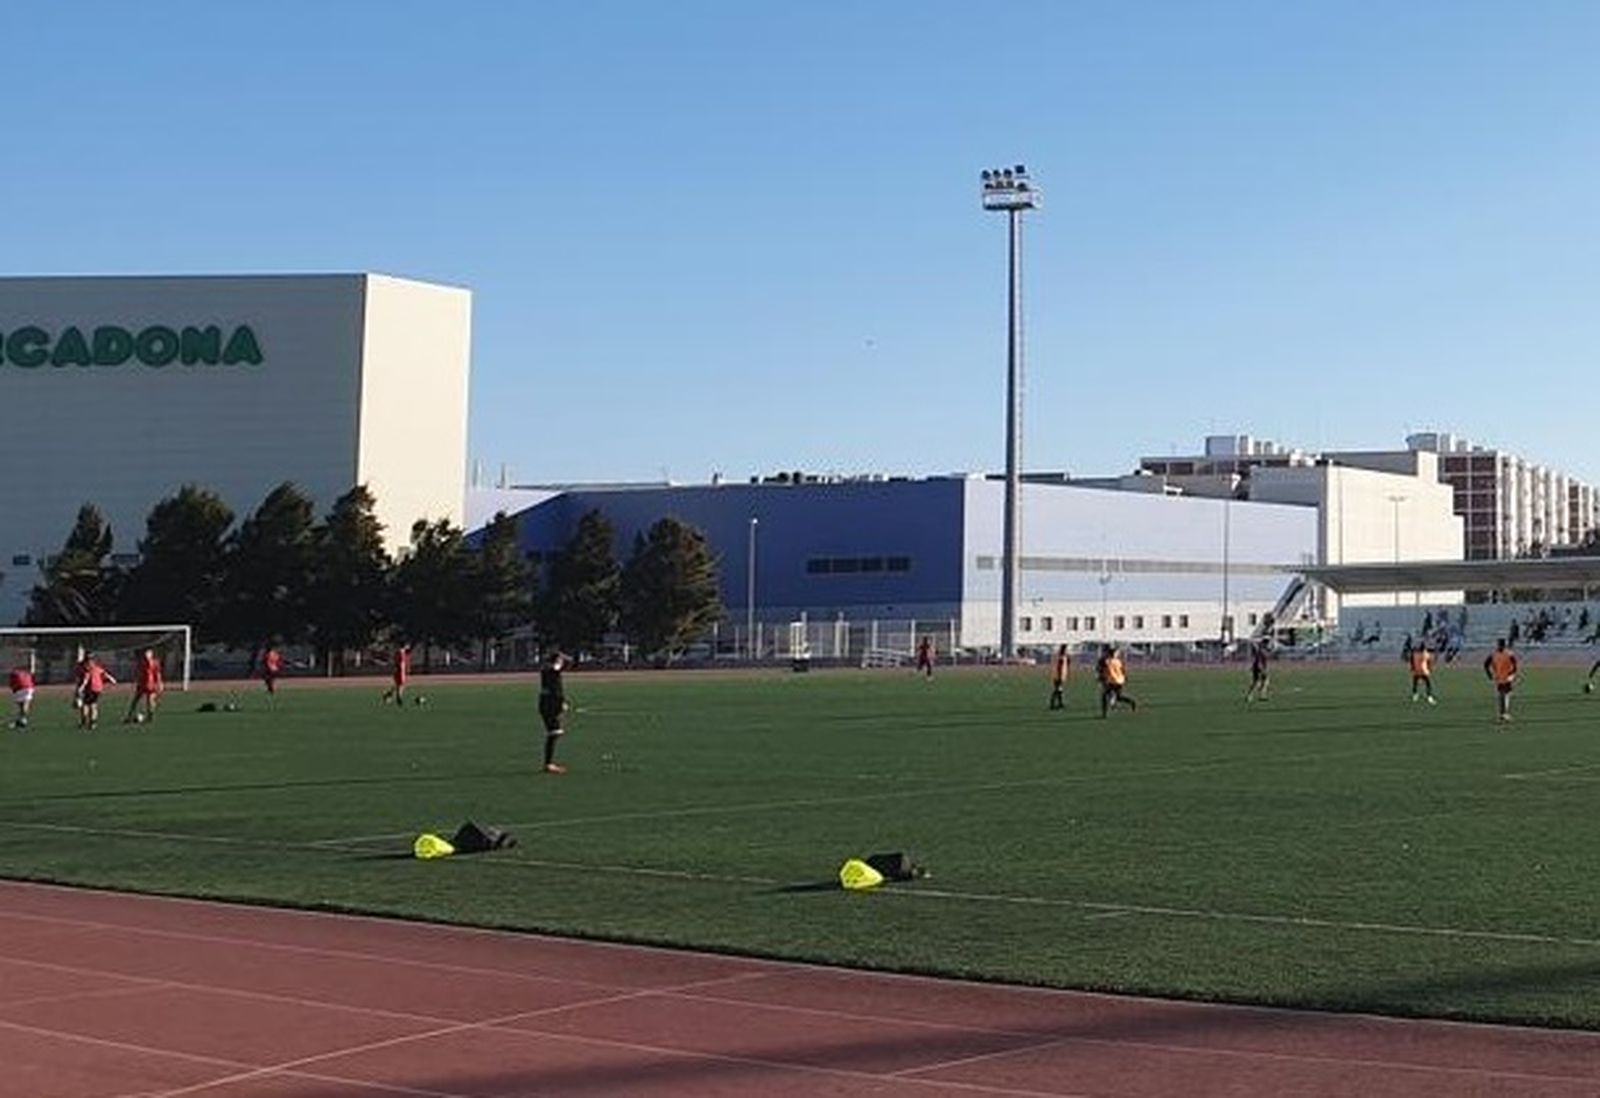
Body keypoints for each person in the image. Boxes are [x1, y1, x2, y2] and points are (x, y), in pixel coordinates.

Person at [539, 651, 570, 773]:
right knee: (554, 732)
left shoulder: (547, 670)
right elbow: (557, 691)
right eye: (560, 660)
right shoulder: (552, 671)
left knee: (555, 732)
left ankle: (548, 764)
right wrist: (560, 705)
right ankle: (548, 764)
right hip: (550, 704)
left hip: (547, 703)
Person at [1095, 644, 1138, 718]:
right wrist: (1125, 678)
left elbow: (1100, 669)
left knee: (1104, 696)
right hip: (1119, 681)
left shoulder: (1106, 661)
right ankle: (1131, 702)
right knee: (1118, 697)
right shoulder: (1118, 661)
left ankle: (1104, 714)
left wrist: (1100, 677)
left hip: (1111, 681)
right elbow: (1122, 670)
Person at [1483, 639, 1519, 723]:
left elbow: (1515, 665)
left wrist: (1512, 674)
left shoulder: (1508, 654)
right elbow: (1486, 665)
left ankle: (1504, 713)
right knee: (1502, 695)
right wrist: (1490, 675)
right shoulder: (1494, 655)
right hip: (1499, 677)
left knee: (1505, 695)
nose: (1499, 646)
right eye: (1499, 645)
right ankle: (1503, 714)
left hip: (1507, 677)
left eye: (1500, 645)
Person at [76, 653, 115, 731]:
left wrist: (81, 688)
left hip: (91, 689)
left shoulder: (88, 670)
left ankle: (85, 722)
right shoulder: (97, 668)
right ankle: (93, 723)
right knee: (93, 705)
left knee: (86, 705)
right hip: (98, 689)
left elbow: (85, 680)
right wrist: (112, 680)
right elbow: (105, 674)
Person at [124, 649, 163, 724]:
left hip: (150, 684)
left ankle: (150, 716)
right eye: (145, 654)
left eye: (148, 654)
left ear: (151, 655)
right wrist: (136, 680)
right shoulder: (143, 663)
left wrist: (159, 683)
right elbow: (139, 673)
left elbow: (157, 674)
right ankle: (130, 716)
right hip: (142, 684)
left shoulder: (154, 663)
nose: (146, 656)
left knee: (149, 701)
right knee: (136, 700)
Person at [8, 665, 34, 730]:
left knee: (21, 705)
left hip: (22, 688)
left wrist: (14, 690)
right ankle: (22, 720)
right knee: (24, 704)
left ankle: (21, 720)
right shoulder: (25, 673)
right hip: (27, 688)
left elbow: (12, 685)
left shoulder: (14, 675)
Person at [1048, 644, 1070, 710]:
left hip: (1061, 676)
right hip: (1058, 676)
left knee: (1059, 690)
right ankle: (1053, 704)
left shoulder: (1064, 657)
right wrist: (1059, 676)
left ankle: (1059, 704)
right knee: (1058, 690)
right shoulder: (1061, 658)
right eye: (1066, 649)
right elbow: (1059, 668)